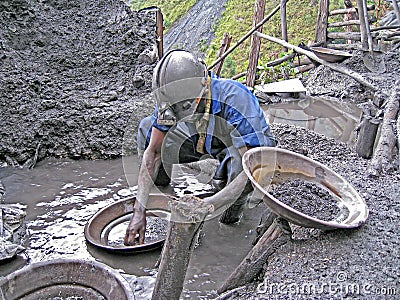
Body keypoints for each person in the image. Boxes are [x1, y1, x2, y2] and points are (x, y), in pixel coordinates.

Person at [124, 49, 277, 246]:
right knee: (147, 128)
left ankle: (230, 219)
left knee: (240, 165)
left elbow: (252, 168)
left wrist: (207, 207)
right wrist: (139, 209)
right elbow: (152, 153)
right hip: (197, 141)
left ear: (203, 86)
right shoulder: (172, 100)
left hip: (237, 151)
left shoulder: (236, 100)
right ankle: (161, 188)